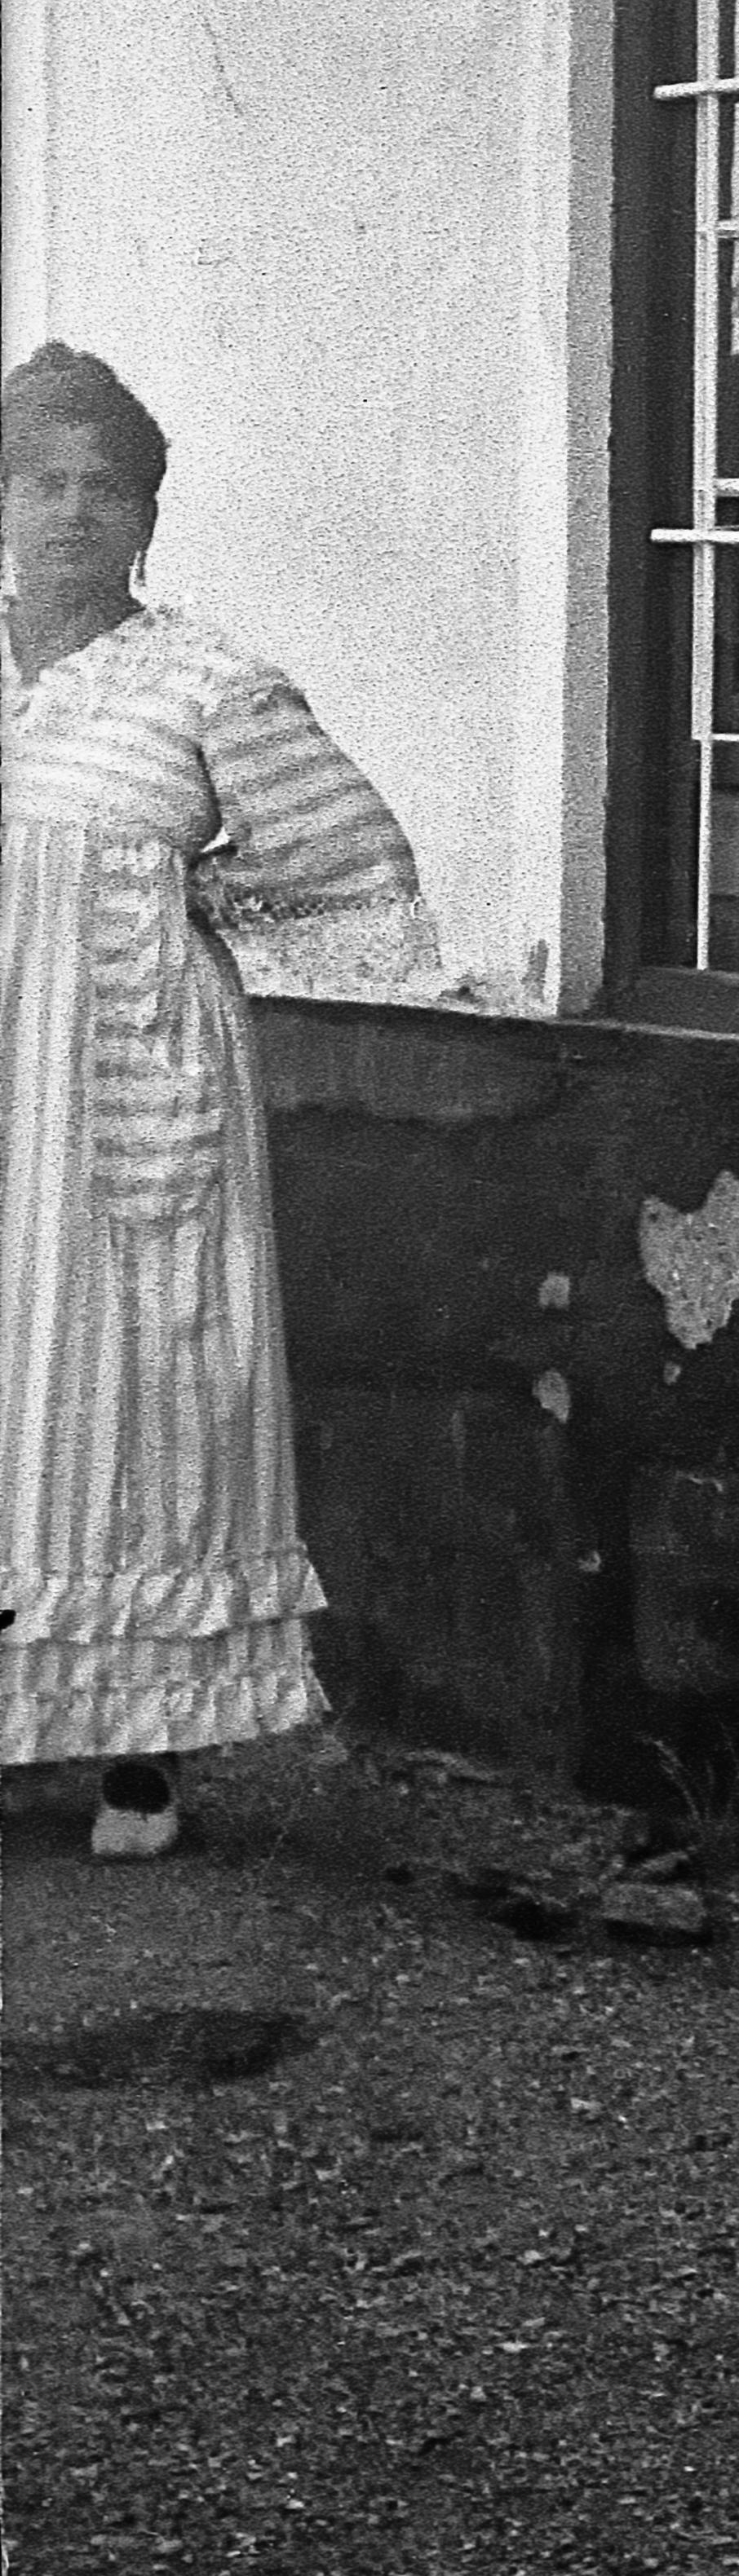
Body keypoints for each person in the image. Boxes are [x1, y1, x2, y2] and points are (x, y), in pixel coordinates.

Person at [2, 343, 427, 1857]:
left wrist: (185, 908)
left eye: (100, 488)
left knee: (131, 1405)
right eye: (40, 482)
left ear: (146, 519)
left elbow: (349, 855)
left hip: (123, 1103)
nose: (68, 513)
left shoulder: (200, 682)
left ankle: (142, 1758)